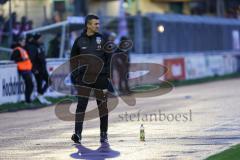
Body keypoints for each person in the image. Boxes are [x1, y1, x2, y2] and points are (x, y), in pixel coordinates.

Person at [70, 14, 111, 144]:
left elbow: (110, 58)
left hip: (101, 78)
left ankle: (103, 133)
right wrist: (76, 76)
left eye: (98, 24)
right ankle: (77, 134)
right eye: (95, 24)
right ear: (88, 25)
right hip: (84, 79)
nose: (98, 26)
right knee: (81, 106)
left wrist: (107, 74)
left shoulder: (103, 39)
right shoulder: (79, 41)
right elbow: (73, 60)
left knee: (102, 107)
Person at [25, 33, 51, 105]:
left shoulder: (39, 46)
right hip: (37, 69)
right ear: (37, 39)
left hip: (43, 68)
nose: (42, 39)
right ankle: (40, 97)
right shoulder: (32, 47)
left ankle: (40, 95)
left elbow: (42, 56)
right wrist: (33, 69)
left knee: (49, 81)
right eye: (40, 38)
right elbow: (31, 59)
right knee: (39, 83)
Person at [11, 37, 33, 104]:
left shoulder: (22, 49)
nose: (24, 43)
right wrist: (22, 59)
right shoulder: (17, 49)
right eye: (23, 41)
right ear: (19, 42)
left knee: (30, 85)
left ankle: (28, 100)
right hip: (23, 70)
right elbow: (13, 59)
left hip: (27, 69)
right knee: (29, 85)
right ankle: (27, 100)